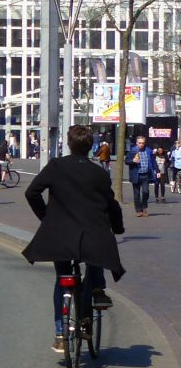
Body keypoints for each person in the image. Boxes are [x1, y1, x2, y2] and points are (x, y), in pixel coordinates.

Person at [22, 124, 124, 353]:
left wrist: (46, 217)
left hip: (60, 235)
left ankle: (60, 335)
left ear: (69, 144)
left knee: (62, 279)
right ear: (91, 147)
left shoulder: (56, 166)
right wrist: (118, 228)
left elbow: (31, 193)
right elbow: (111, 204)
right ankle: (96, 293)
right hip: (91, 236)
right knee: (96, 256)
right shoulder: (99, 173)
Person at [128, 135, 153, 217]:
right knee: (136, 194)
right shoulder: (132, 151)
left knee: (146, 192)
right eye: (139, 143)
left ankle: (144, 206)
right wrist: (133, 160)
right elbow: (126, 161)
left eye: (143, 143)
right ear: (136, 143)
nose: (141, 144)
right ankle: (139, 210)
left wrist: (157, 171)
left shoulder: (148, 150)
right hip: (136, 175)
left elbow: (152, 161)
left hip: (145, 175)